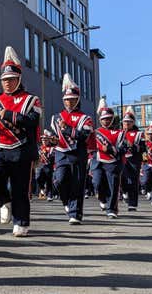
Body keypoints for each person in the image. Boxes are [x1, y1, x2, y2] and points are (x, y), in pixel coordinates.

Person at [0, 47, 41, 237]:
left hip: (21, 147)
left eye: (10, 80)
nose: (7, 83)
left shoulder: (31, 100)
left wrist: (10, 115)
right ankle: (3, 201)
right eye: (4, 80)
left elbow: (33, 121)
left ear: (18, 79)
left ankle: (21, 221)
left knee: (20, 186)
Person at [50, 73, 94, 225]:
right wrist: (51, 140)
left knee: (77, 184)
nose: (69, 102)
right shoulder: (55, 117)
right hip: (61, 153)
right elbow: (57, 137)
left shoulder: (85, 118)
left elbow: (83, 136)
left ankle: (75, 213)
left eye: (72, 100)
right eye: (66, 100)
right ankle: (66, 202)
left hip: (77, 154)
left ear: (77, 100)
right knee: (60, 180)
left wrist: (67, 128)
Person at [92, 97, 124, 219]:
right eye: (104, 119)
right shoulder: (95, 132)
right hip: (97, 161)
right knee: (97, 182)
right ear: (101, 119)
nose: (107, 121)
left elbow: (123, 148)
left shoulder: (119, 133)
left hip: (113, 162)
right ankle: (102, 198)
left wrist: (110, 149)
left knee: (113, 186)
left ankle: (112, 209)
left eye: (109, 119)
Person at [119, 106, 145, 211]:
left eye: (129, 122)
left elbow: (143, 148)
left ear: (133, 122)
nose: (126, 124)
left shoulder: (139, 134)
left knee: (133, 181)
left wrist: (133, 146)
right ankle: (124, 192)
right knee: (123, 180)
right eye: (125, 122)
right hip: (122, 159)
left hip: (134, 160)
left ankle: (132, 204)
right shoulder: (119, 133)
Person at [36, 130, 56, 202]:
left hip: (49, 166)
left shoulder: (52, 148)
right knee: (37, 177)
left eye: (45, 139)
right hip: (40, 165)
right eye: (43, 139)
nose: (44, 141)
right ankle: (42, 188)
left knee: (49, 180)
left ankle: (50, 195)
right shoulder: (39, 147)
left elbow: (53, 157)